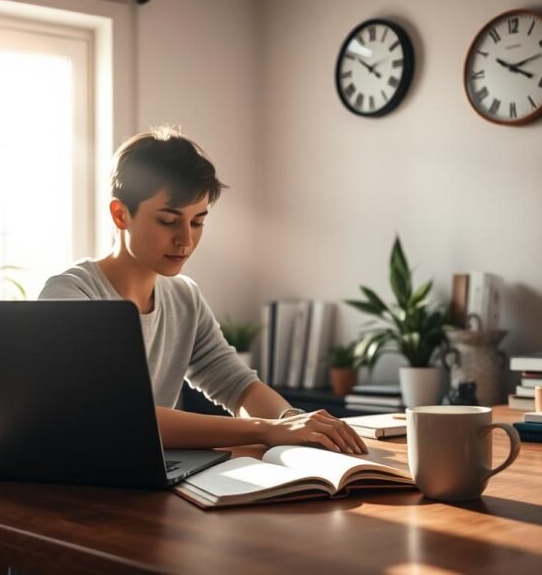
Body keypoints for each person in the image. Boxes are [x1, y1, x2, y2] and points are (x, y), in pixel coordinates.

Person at [38, 127, 366, 455]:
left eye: (197, 222)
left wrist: (295, 422)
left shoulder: (184, 297)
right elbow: (115, 417)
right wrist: (268, 429)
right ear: (120, 214)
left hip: (144, 477)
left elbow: (238, 386)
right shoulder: (72, 293)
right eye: (168, 221)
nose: (186, 239)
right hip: (71, 486)